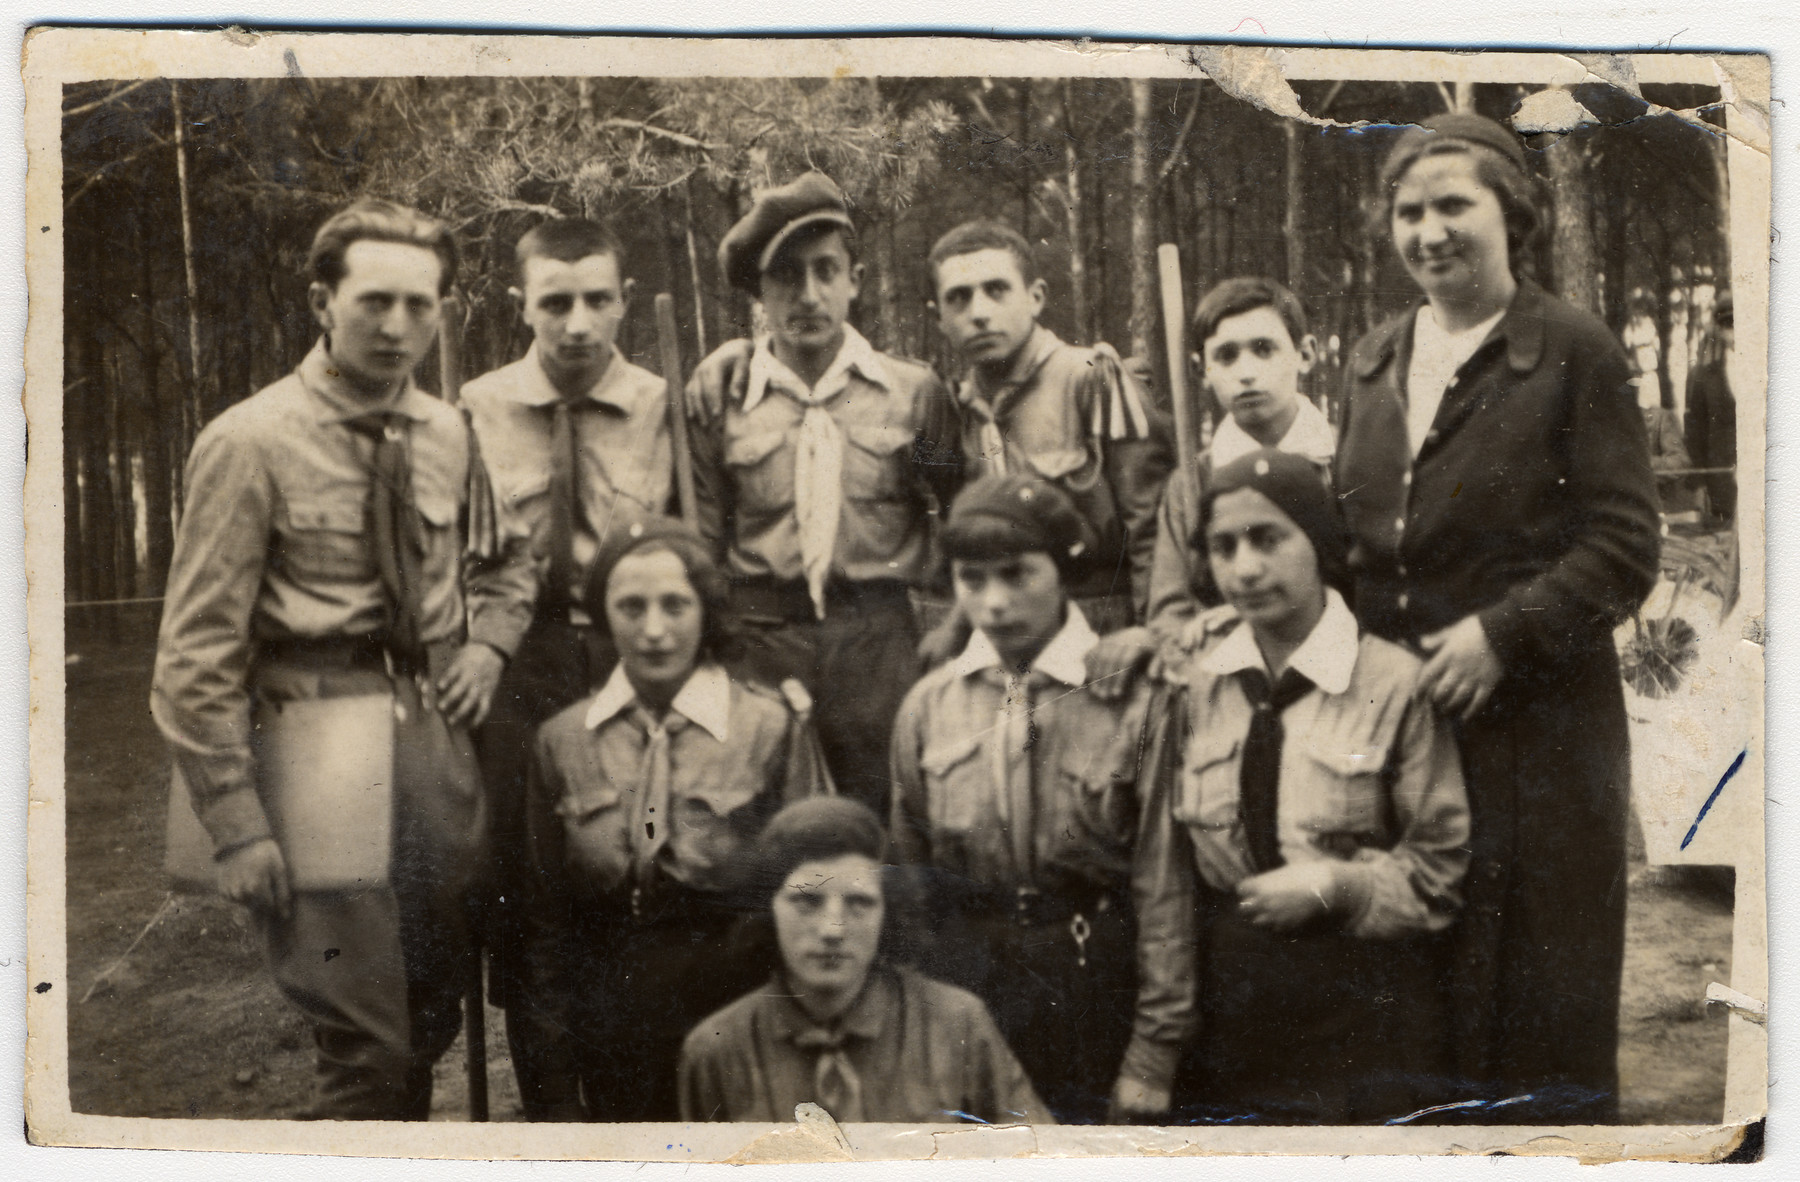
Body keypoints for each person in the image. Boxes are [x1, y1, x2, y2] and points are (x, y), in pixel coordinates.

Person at [150, 199, 537, 1119]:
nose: (398, 325)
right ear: (323, 301)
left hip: (432, 749)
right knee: (365, 1038)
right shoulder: (249, 442)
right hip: (310, 743)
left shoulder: (448, 432)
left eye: (420, 304)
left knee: (428, 1012)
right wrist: (236, 823)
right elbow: (194, 657)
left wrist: (488, 643)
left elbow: (508, 556)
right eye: (374, 302)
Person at [1334, 113, 1660, 1123]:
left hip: (1545, 744)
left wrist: (1500, 636)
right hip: (1414, 734)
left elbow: (1624, 552)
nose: (1429, 230)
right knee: (1419, 1008)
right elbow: (1359, 540)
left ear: (1511, 212)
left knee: (1539, 1010)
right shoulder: (1375, 358)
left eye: (1453, 205)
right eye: (1409, 210)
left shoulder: (1574, 351)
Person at [1116, 448, 1470, 1124]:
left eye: (1268, 538)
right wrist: (1158, 1045)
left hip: (1366, 1003)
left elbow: (1439, 870)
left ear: (1320, 544)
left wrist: (1340, 886)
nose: (1244, 567)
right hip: (1232, 1003)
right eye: (1222, 547)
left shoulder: (1394, 683)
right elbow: (1164, 876)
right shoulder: (1195, 685)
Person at [459, 217, 673, 1116]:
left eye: (597, 300)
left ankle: (637, 1107)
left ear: (623, 300)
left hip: (629, 663)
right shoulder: (472, 407)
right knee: (530, 908)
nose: (578, 323)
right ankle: (548, 1121)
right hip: (517, 670)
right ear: (523, 307)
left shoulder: (666, 405)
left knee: (630, 884)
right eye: (555, 302)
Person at [516, 517, 833, 1121]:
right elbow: (544, 927)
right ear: (603, 615)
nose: (654, 630)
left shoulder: (767, 727)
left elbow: (813, 892)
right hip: (611, 1031)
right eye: (630, 607)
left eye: (675, 606)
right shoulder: (562, 742)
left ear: (706, 611)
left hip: (737, 1023)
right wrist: (556, 1093)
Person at [685, 171, 964, 810]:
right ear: (759, 292)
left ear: (854, 282)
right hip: (761, 635)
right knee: (762, 812)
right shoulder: (722, 396)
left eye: (825, 271)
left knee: (885, 811)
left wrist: (947, 626)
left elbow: (960, 514)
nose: (807, 295)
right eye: (785, 276)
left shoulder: (912, 394)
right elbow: (703, 533)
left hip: (877, 636)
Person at [889, 473, 1161, 1124]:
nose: (994, 603)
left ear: (1063, 571)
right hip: (971, 980)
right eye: (972, 580)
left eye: (1017, 575)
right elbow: (910, 875)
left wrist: (1156, 1047)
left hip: (1093, 972)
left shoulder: (1129, 699)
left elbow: (1163, 883)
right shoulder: (931, 706)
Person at [679, 797, 1049, 1125]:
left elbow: (1035, 1159)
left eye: (859, 903)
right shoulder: (716, 1049)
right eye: (807, 902)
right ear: (766, 910)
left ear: (887, 914)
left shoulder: (958, 1024)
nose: (833, 930)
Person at [926, 219, 1172, 637]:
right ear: (940, 319)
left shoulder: (1092, 378)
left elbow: (1153, 526)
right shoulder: (954, 409)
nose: (980, 313)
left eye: (997, 290)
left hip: (1100, 623)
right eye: (959, 299)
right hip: (1000, 629)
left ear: (1036, 297)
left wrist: (1151, 635)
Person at [1144, 276, 1335, 643]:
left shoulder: (1345, 459)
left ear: (1306, 354)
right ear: (1202, 370)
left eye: (1264, 349)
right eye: (1226, 356)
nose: (1246, 373)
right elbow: (1169, 614)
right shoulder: (1192, 480)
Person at [1684, 289, 1737, 525]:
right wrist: (1699, 484)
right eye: (1729, 325)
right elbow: (1695, 433)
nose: (1735, 332)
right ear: (1719, 329)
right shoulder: (1704, 377)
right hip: (1722, 483)